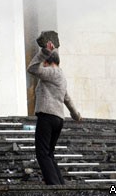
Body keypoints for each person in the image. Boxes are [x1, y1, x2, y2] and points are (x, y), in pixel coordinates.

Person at [27, 40, 82, 185]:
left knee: (42, 153)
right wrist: (75, 114)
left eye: (44, 61)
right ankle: (60, 185)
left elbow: (32, 69)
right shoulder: (62, 77)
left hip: (47, 116)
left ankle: (54, 186)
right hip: (58, 119)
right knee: (49, 154)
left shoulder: (52, 72)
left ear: (48, 61)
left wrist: (44, 52)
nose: (42, 64)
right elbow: (67, 98)